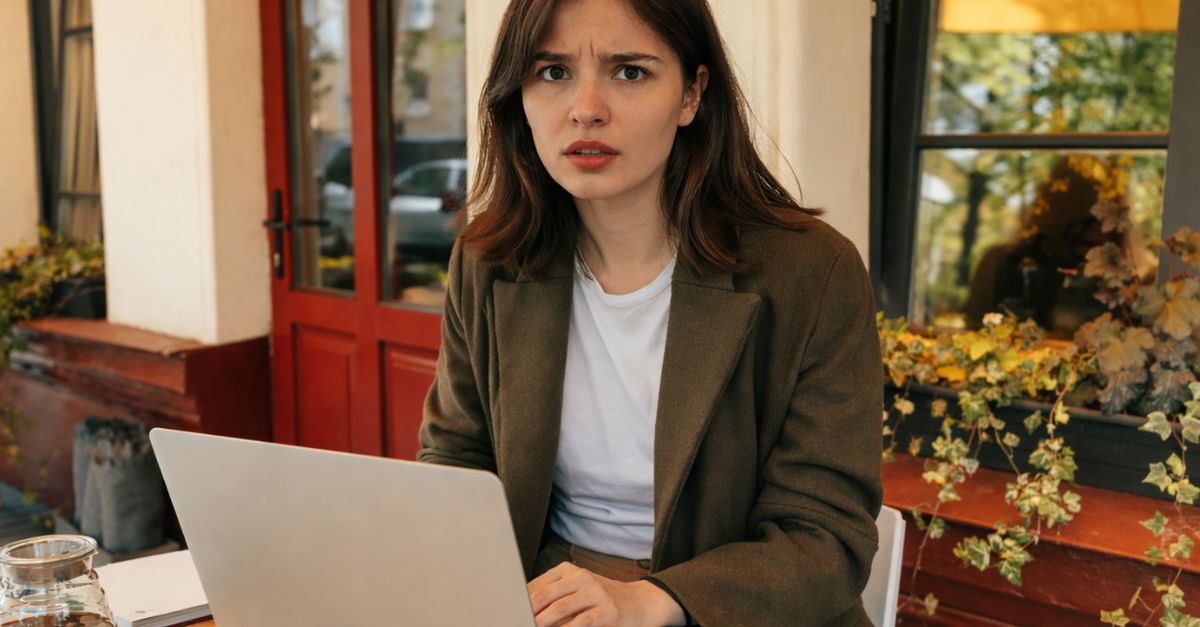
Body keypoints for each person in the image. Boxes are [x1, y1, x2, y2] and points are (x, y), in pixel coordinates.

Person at [417, 0, 882, 624]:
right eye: (552, 72)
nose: (586, 108)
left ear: (691, 94)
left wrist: (651, 602)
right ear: (518, 96)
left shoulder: (811, 272)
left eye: (628, 71)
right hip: (540, 604)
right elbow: (454, 470)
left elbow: (827, 534)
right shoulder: (488, 259)